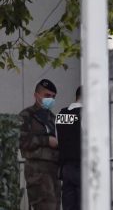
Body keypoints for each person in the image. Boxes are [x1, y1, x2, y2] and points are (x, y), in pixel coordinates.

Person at [19, 79, 60, 210]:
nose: (51, 99)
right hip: (37, 171)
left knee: (55, 206)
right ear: (36, 95)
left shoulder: (53, 118)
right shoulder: (26, 115)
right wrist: (46, 141)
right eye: (47, 96)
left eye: (53, 97)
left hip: (54, 171)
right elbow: (21, 140)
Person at [55, 86, 82, 210]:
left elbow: (57, 139)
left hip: (66, 168)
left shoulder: (61, 114)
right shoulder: (86, 115)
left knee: (68, 205)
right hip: (82, 167)